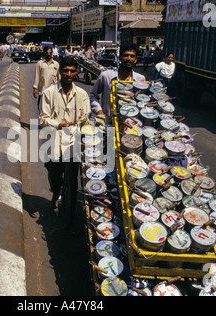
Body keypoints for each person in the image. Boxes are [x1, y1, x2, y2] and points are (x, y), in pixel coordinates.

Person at [39, 56, 91, 235]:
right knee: (54, 176)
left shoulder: (82, 95)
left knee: (71, 184)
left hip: (73, 145)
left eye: (72, 71)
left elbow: (86, 120)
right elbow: (43, 119)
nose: (69, 74)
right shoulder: (49, 93)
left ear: (76, 72)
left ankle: (68, 222)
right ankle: (55, 192)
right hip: (53, 142)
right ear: (60, 71)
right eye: (66, 71)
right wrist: (59, 125)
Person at [90, 43, 146, 118]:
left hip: (131, 123)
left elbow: (142, 100)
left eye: (132, 56)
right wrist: (99, 110)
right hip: (109, 122)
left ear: (135, 60)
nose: (129, 58)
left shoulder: (140, 79)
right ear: (119, 58)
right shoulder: (106, 76)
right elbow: (93, 95)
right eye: (125, 55)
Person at [33, 46, 60, 112]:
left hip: (53, 91)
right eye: (47, 52)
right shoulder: (40, 64)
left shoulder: (56, 64)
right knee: (40, 108)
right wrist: (34, 88)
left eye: (50, 53)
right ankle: (37, 122)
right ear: (44, 53)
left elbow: (59, 78)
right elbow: (37, 76)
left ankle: (49, 122)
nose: (48, 54)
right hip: (42, 90)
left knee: (52, 109)